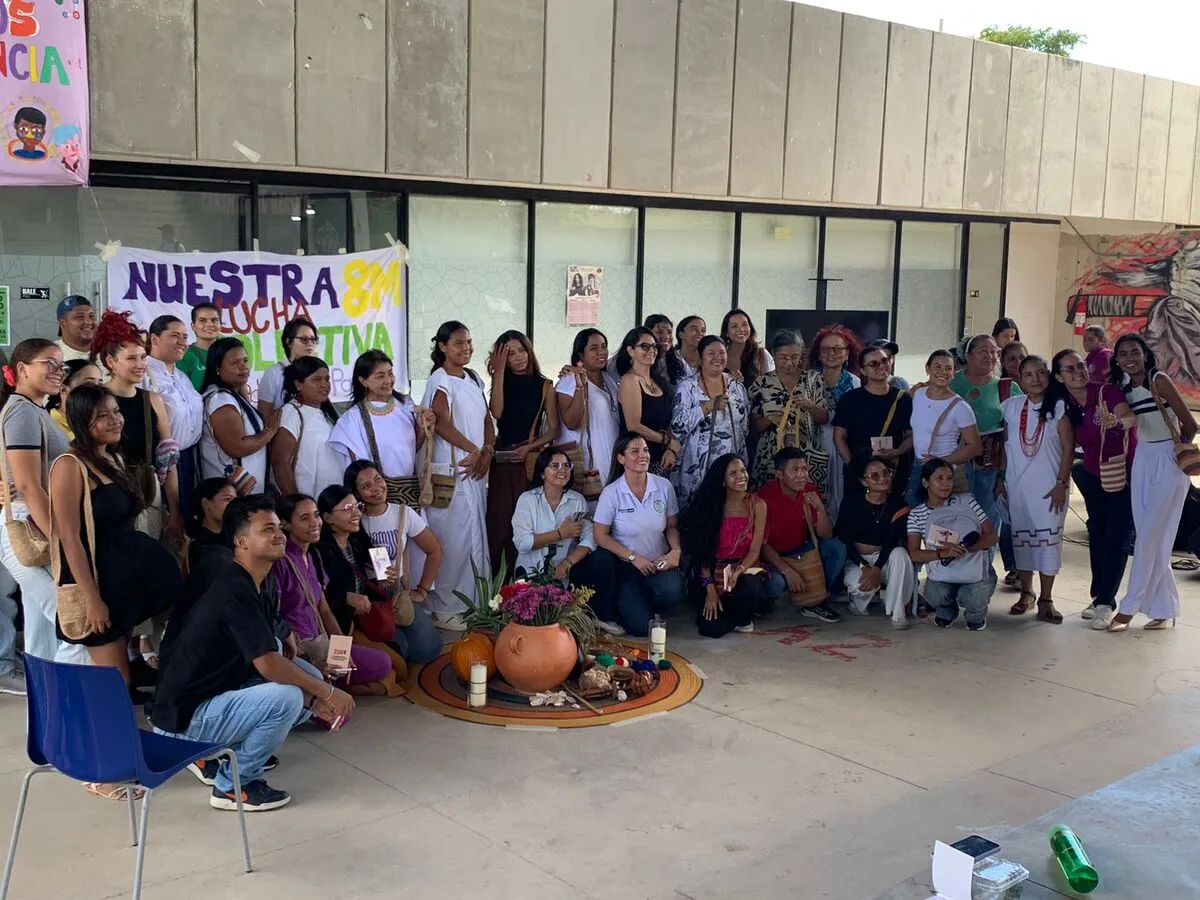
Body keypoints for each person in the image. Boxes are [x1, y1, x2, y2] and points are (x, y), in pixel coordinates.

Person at [151, 496, 355, 812]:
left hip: (212, 695)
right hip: (184, 719)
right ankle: (234, 785)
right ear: (241, 541)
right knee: (287, 696)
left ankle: (224, 753)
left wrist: (315, 696)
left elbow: (274, 649)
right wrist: (324, 693)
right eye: (268, 529)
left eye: (279, 528)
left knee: (304, 678)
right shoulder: (232, 588)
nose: (279, 535)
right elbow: (269, 665)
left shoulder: (254, 579)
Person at [49, 384, 182, 688]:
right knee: (116, 679)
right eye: (102, 416)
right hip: (98, 582)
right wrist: (92, 599)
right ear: (83, 422)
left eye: (116, 412)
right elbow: (69, 538)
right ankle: (99, 732)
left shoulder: (115, 458)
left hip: (124, 582)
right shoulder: (70, 466)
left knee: (120, 673)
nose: (115, 420)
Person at [0, 339, 87, 673]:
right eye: (48, 363)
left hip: (36, 519)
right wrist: (60, 538)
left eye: (61, 365)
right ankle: (67, 705)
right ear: (22, 369)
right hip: (31, 524)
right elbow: (26, 485)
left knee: (42, 632)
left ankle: (43, 714)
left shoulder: (33, 409)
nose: (57, 371)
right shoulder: (21, 409)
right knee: (71, 620)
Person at [1108, 335, 1197, 632]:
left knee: (1147, 535)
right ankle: (1165, 607)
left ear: (1146, 355)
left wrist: (1177, 454)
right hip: (1143, 459)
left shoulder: (1158, 380)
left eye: (1135, 352)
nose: (1130, 357)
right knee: (1151, 535)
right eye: (1123, 353)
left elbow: (1191, 424)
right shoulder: (1123, 390)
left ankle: (1129, 607)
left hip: (1168, 459)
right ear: (1117, 359)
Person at [272, 494, 396, 696]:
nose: (314, 523)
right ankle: (323, 688)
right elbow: (275, 618)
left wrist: (340, 654)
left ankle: (331, 684)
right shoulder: (281, 562)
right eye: (304, 518)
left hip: (322, 642)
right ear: (285, 524)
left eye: (316, 515)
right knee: (338, 712)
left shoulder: (312, 556)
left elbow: (325, 612)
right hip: (299, 651)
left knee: (383, 664)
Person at [1054, 350, 1136, 629]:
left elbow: (1129, 417)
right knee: (1097, 533)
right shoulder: (1063, 404)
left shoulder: (1107, 392)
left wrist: (1117, 421)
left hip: (1122, 474)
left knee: (1118, 534)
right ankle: (1098, 596)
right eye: (1069, 369)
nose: (1078, 372)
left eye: (1080, 365)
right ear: (1059, 376)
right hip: (1091, 474)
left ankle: (1106, 602)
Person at [421, 321, 492, 632]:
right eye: (459, 343)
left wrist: (486, 451)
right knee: (453, 540)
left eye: (469, 343)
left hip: (475, 470)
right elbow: (441, 423)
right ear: (443, 347)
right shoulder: (440, 379)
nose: (466, 348)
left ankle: (476, 602)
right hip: (450, 471)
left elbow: (488, 418)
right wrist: (473, 449)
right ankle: (447, 607)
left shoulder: (473, 377)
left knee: (475, 538)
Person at [92, 310, 184, 541]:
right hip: (108, 495)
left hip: (148, 494)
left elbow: (169, 459)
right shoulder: (94, 399)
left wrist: (174, 512)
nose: (141, 364)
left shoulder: (152, 399)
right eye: (131, 358)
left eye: (143, 357)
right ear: (111, 362)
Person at [345, 461, 445, 664]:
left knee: (430, 648)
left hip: (396, 592)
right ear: (355, 494)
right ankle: (378, 642)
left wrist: (422, 591)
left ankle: (385, 642)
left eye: (378, 479)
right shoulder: (353, 519)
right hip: (366, 596)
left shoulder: (402, 513)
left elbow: (434, 550)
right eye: (366, 486)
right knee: (400, 651)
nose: (375, 488)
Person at [999, 355, 1073, 623]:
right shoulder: (1010, 407)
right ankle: (1027, 593)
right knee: (1023, 541)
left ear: (1048, 375)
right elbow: (1006, 446)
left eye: (1040, 373)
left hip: (1050, 487)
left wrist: (1061, 484)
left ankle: (1047, 598)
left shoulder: (1059, 407)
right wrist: (1001, 479)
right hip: (1018, 486)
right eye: (1028, 375)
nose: (1035, 379)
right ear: (1020, 378)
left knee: (1048, 543)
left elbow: (1067, 448)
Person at [511, 448, 617, 630]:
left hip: (566, 572)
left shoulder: (576, 500)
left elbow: (589, 540)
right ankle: (577, 615)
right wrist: (561, 533)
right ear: (542, 473)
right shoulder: (527, 500)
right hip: (532, 573)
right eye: (555, 465)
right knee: (543, 619)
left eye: (567, 465)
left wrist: (567, 562)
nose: (562, 470)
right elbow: (523, 543)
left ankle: (600, 616)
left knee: (603, 559)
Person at [593, 435, 685, 636]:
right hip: (628, 566)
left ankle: (643, 603)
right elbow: (600, 536)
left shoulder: (663, 486)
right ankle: (629, 603)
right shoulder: (611, 492)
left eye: (645, 450)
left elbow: (671, 525)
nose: (642, 456)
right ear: (621, 458)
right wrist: (633, 557)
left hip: (658, 564)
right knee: (642, 629)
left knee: (675, 588)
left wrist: (675, 551)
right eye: (634, 451)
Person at [486, 330, 558, 577]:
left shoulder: (544, 385)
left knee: (527, 523)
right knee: (499, 523)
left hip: (528, 460)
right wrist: (497, 374)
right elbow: (496, 412)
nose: (518, 357)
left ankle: (527, 580)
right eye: (510, 354)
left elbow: (553, 430)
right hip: (502, 460)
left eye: (522, 350)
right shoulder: (501, 381)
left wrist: (529, 447)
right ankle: (498, 585)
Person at [328, 350, 435, 508]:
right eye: (380, 376)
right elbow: (357, 468)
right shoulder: (352, 419)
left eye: (390, 373)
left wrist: (422, 430)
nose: (388, 380)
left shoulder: (406, 406)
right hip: (376, 498)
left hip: (410, 491)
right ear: (363, 381)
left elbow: (412, 450)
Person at [681, 454, 770, 637]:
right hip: (711, 570)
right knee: (711, 630)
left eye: (743, 471)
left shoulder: (758, 505)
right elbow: (701, 553)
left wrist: (739, 570)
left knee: (751, 588)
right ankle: (728, 610)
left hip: (744, 567)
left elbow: (754, 550)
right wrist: (710, 587)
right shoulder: (710, 507)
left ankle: (740, 612)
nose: (741, 476)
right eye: (733, 473)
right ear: (722, 480)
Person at [906, 458, 998, 631]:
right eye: (939, 478)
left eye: (949, 478)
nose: (946, 483)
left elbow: (992, 536)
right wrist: (943, 553)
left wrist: (967, 547)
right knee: (935, 594)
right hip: (943, 569)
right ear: (926, 482)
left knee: (974, 597)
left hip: (974, 567)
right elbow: (914, 553)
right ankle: (946, 611)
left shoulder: (967, 502)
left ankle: (976, 615)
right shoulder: (916, 514)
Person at [759, 448, 847, 624]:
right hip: (773, 557)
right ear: (779, 474)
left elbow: (826, 534)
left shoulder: (810, 490)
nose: (801, 475)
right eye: (794, 470)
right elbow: (761, 544)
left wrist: (820, 508)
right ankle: (765, 602)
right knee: (776, 583)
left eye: (804, 469)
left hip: (802, 551)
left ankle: (816, 600)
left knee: (836, 548)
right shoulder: (765, 496)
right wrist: (786, 570)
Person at [949, 335, 1015, 550]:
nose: (991, 356)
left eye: (994, 351)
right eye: (983, 351)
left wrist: (1004, 475)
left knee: (987, 519)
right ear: (967, 355)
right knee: (953, 517)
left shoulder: (1007, 388)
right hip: (953, 464)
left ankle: (983, 572)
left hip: (991, 467)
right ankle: (948, 567)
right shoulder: (949, 382)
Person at [836, 457, 914, 628]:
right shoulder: (851, 502)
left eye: (886, 473)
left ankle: (897, 613)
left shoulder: (899, 505)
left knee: (900, 555)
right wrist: (864, 566)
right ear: (864, 481)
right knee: (860, 587)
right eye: (875, 476)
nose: (883, 478)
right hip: (857, 560)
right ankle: (857, 603)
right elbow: (845, 538)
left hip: (885, 559)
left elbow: (892, 541)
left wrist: (877, 568)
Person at [671, 335, 750, 503]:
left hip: (732, 467)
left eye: (721, 353)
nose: (717, 358)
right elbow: (677, 427)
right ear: (701, 357)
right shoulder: (687, 388)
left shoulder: (736, 385)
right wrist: (706, 407)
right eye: (711, 353)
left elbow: (744, 425)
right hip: (696, 468)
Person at [748, 330, 829, 492]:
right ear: (774, 355)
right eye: (783, 358)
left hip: (806, 458)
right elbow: (754, 425)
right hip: (770, 458)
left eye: (794, 357)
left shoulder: (813, 379)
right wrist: (770, 419)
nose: (789, 363)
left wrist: (809, 405)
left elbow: (824, 418)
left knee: (804, 506)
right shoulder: (762, 383)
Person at [144, 315, 205, 520]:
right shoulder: (143, 375)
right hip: (162, 464)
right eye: (175, 336)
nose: (182, 342)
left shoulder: (182, 376)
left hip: (190, 459)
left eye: (185, 337)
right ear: (154, 339)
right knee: (166, 520)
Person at [199, 337, 278, 494]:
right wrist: (271, 431)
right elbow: (237, 447)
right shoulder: (220, 400)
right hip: (230, 495)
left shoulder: (232, 395)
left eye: (245, 361)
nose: (243, 367)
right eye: (235, 363)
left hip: (243, 492)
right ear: (217, 368)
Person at [833, 345, 913, 501]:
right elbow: (839, 437)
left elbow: (910, 435)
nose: (881, 366)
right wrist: (854, 465)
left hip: (893, 471)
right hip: (860, 473)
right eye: (874, 363)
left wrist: (897, 451)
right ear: (863, 371)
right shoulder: (850, 399)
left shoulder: (903, 398)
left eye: (884, 360)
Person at [907, 349, 981, 503]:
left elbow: (975, 447)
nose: (943, 372)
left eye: (948, 368)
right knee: (916, 517)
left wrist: (941, 461)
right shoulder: (917, 394)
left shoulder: (960, 407)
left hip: (946, 472)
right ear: (927, 369)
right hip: (918, 467)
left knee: (945, 522)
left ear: (954, 373)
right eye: (937, 367)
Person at [556, 328, 621, 498]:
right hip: (587, 466)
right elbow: (572, 422)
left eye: (604, 346)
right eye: (593, 348)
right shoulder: (568, 381)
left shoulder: (610, 379)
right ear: (580, 354)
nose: (601, 352)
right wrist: (580, 387)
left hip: (612, 463)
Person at [269, 356, 344, 497]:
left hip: (335, 501)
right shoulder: (291, 412)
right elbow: (280, 462)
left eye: (327, 379)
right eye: (317, 380)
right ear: (298, 384)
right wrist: (296, 504)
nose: (325, 384)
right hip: (309, 503)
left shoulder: (329, 413)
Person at [810, 324, 862, 520]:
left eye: (837, 349)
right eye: (825, 349)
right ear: (818, 353)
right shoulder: (808, 381)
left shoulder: (856, 384)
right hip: (813, 447)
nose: (831, 353)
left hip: (844, 448)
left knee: (843, 497)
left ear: (847, 353)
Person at [616, 326, 680, 473]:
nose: (651, 350)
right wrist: (667, 441)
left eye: (654, 346)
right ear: (630, 351)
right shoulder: (629, 380)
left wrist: (671, 448)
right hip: (637, 461)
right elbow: (634, 425)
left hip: (661, 460)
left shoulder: (659, 381)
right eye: (645, 346)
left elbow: (667, 422)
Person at [257, 318, 320, 419]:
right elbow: (264, 415)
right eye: (304, 339)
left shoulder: (318, 371)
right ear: (288, 341)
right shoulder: (274, 373)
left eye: (313, 339)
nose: (310, 343)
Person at [47, 359, 102, 440]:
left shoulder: (100, 422)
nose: (97, 390)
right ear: (63, 389)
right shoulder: (49, 426)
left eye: (100, 384)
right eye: (89, 384)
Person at [720, 310, 774, 384]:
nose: (741, 329)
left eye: (744, 324)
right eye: (734, 326)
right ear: (726, 332)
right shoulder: (719, 357)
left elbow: (771, 386)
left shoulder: (761, 354)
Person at [178, 302, 222, 392]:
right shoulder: (185, 355)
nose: (210, 324)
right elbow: (182, 393)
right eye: (202, 320)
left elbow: (242, 390)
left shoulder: (231, 352)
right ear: (193, 326)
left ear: (220, 324)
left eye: (214, 320)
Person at [664, 315, 705, 384]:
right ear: (681, 334)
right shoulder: (669, 358)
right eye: (694, 329)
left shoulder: (707, 360)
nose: (700, 333)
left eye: (703, 330)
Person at [55, 295, 96, 363]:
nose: (88, 322)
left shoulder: (108, 353)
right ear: (63, 323)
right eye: (80, 317)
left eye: (91, 316)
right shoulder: (50, 355)